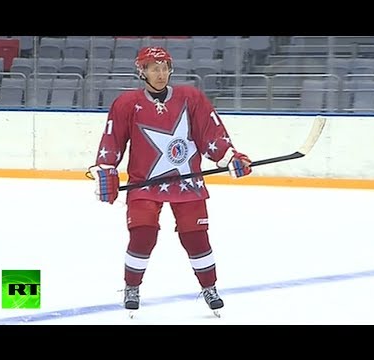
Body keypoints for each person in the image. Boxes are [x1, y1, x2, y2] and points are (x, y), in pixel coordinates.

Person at [87, 46, 252, 313]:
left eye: (164, 68)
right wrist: (106, 169)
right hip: (145, 183)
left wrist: (229, 156)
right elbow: (112, 141)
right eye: (154, 68)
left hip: (187, 182)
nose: (161, 74)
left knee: (196, 238)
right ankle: (132, 287)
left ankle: (209, 288)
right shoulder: (126, 104)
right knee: (143, 235)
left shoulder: (191, 98)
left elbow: (210, 134)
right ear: (142, 72)